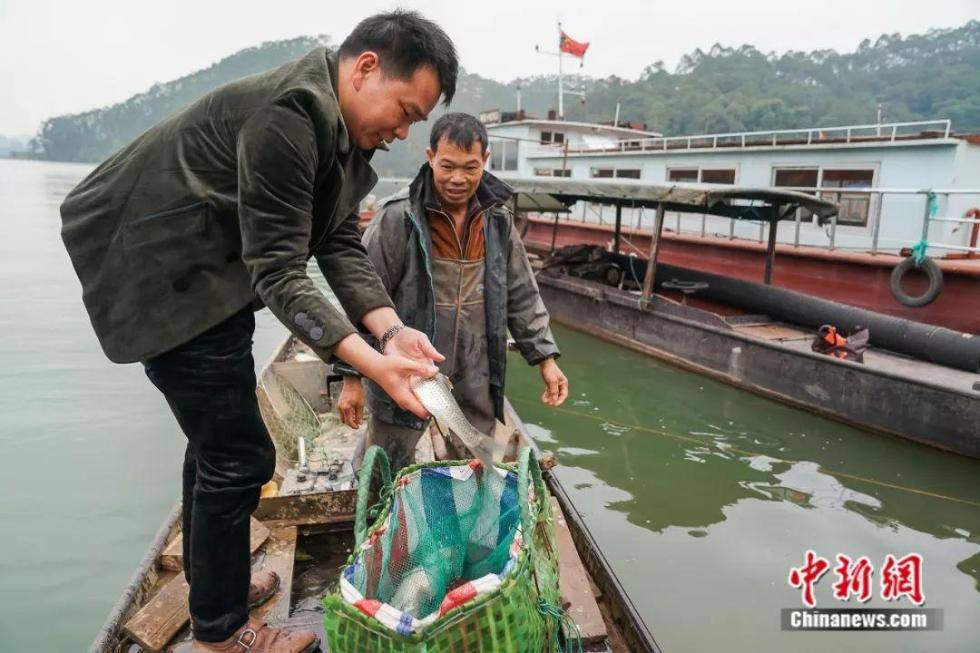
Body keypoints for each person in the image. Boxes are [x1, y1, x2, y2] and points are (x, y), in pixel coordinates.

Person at [59, 11, 457, 653]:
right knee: (240, 455)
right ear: (365, 69)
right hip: (166, 280)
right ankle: (220, 632)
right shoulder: (289, 115)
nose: (405, 131)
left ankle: (212, 579)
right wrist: (369, 364)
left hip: (214, 281)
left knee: (217, 444)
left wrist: (391, 332)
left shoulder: (344, 140)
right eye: (406, 110)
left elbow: (334, 241)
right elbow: (278, 270)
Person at [335, 112, 568, 471]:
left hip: (476, 368)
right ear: (430, 157)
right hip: (408, 366)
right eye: (447, 166)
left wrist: (546, 360)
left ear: (485, 161)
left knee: (477, 462)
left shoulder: (497, 220)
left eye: (470, 168)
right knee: (387, 461)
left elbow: (522, 296)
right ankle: (382, 522)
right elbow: (360, 294)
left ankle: (469, 520)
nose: (458, 178)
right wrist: (351, 377)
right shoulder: (399, 217)